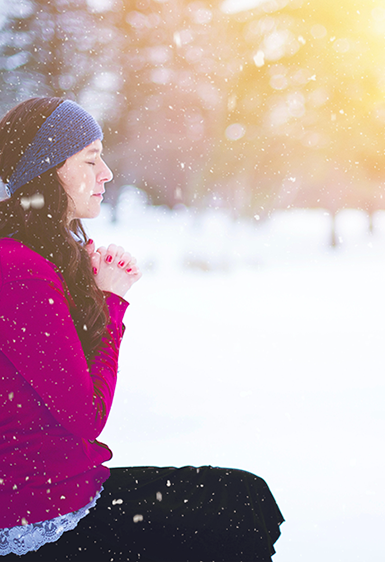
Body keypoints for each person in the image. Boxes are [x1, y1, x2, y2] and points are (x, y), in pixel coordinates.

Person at [0, 97, 284, 561]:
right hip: (40, 516)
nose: (106, 172)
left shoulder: (36, 258)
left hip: (61, 491)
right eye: (90, 159)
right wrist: (111, 301)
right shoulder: (20, 269)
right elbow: (86, 417)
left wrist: (90, 291)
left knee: (246, 500)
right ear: (50, 171)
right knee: (237, 511)